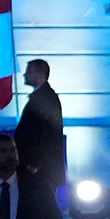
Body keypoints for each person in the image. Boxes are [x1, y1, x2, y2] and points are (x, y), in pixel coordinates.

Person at [14, 58, 68, 188]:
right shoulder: (44, 96)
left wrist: (34, 164)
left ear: (40, 74)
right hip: (40, 167)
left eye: (29, 72)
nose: (25, 75)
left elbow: (45, 134)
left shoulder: (44, 99)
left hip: (39, 168)